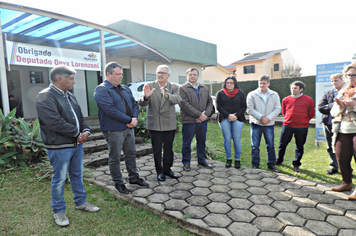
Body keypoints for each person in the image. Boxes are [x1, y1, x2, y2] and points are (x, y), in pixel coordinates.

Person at [36, 65, 99, 227]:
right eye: (71, 79)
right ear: (59, 79)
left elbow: (80, 117)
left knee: (76, 175)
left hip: (75, 144)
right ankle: (58, 211)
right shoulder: (45, 96)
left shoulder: (70, 96)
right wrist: (78, 134)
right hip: (60, 146)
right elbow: (54, 122)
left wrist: (85, 131)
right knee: (59, 179)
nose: (74, 81)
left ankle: (81, 202)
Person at [94, 62, 148, 194]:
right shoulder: (102, 90)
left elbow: (135, 105)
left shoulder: (125, 88)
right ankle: (118, 183)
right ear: (108, 74)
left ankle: (133, 177)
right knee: (115, 157)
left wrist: (134, 119)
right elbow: (110, 110)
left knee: (131, 154)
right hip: (114, 129)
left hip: (128, 128)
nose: (121, 77)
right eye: (118, 74)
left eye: (121, 74)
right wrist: (129, 120)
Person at [138, 65, 182, 181]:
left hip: (169, 123)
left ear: (168, 75)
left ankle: (168, 170)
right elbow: (141, 103)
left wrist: (168, 96)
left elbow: (178, 99)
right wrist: (146, 98)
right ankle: (159, 171)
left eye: (163, 72)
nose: (160, 75)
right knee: (156, 149)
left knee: (169, 148)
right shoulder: (150, 86)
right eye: (158, 72)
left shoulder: (174, 86)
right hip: (154, 123)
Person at [179, 68, 214, 171]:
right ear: (187, 76)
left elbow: (210, 102)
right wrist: (199, 115)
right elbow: (184, 104)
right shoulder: (182, 88)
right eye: (190, 74)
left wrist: (205, 115)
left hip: (202, 121)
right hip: (189, 121)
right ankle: (186, 163)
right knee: (187, 143)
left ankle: (202, 160)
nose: (192, 76)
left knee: (201, 141)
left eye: (194, 74)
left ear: (198, 76)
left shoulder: (204, 88)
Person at [276, 81, 315, 172]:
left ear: (301, 89)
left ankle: (296, 164)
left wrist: (303, 121)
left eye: (295, 88)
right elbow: (284, 111)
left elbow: (311, 113)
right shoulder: (285, 99)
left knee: (299, 146)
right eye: (292, 88)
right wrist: (288, 119)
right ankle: (279, 160)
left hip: (302, 127)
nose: (293, 90)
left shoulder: (309, 100)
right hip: (287, 125)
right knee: (282, 144)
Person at [330, 63, 356, 200]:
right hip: (343, 128)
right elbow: (333, 111)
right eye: (348, 75)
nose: (350, 77)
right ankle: (346, 183)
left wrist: (355, 105)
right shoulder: (343, 90)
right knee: (341, 157)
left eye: (353, 74)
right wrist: (340, 107)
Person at [246, 75, 281, 172]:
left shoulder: (274, 95)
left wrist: (268, 119)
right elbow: (249, 109)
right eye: (260, 83)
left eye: (264, 83)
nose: (262, 85)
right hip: (256, 123)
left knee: (270, 145)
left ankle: (271, 164)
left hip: (269, 124)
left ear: (268, 84)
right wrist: (261, 118)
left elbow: (277, 108)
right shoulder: (252, 94)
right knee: (255, 146)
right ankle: (255, 165)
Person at [216, 76, 246, 168]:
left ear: (235, 84)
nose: (229, 84)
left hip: (238, 118)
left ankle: (237, 159)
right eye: (227, 83)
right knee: (227, 139)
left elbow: (244, 106)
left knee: (236, 138)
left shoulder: (241, 93)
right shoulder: (220, 93)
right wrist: (229, 115)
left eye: (231, 83)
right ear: (225, 84)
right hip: (224, 118)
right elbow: (218, 107)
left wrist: (235, 116)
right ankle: (228, 159)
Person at [317, 73, 344, 175]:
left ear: (343, 80)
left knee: (344, 147)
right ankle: (334, 166)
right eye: (332, 81)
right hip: (328, 123)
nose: (333, 83)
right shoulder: (328, 93)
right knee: (330, 146)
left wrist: (329, 106)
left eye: (336, 80)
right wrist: (335, 104)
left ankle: (345, 168)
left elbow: (347, 107)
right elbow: (320, 108)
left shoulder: (348, 93)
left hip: (343, 124)